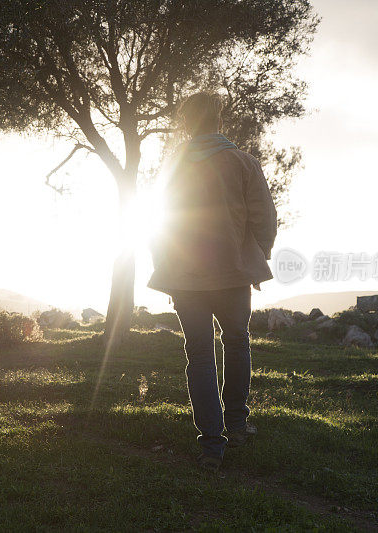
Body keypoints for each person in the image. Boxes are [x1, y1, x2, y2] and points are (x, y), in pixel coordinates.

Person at [147, 92, 277, 471]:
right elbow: (264, 218)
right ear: (219, 120)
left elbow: (158, 223)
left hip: (186, 278)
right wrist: (257, 256)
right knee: (237, 343)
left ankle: (211, 446)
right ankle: (236, 426)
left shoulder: (173, 166)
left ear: (188, 123)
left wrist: (167, 270)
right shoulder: (243, 162)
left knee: (199, 354)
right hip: (234, 273)